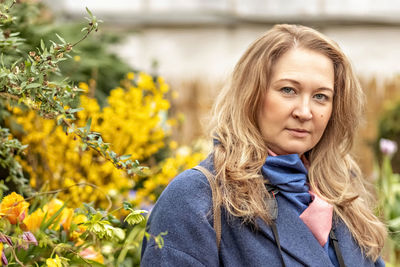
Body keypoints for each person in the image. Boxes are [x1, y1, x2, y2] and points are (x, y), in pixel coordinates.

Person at [141, 24, 387, 267]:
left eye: (320, 96)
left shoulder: (343, 199)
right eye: (288, 90)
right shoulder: (198, 199)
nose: (304, 112)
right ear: (252, 94)